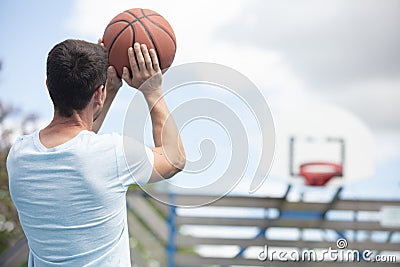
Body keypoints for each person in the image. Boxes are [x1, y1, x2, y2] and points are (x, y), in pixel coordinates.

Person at [6, 39, 186, 266]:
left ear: (48, 85)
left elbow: (79, 143)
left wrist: (107, 90)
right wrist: (152, 90)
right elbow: (175, 158)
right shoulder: (113, 154)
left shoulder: (19, 156)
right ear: (98, 94)